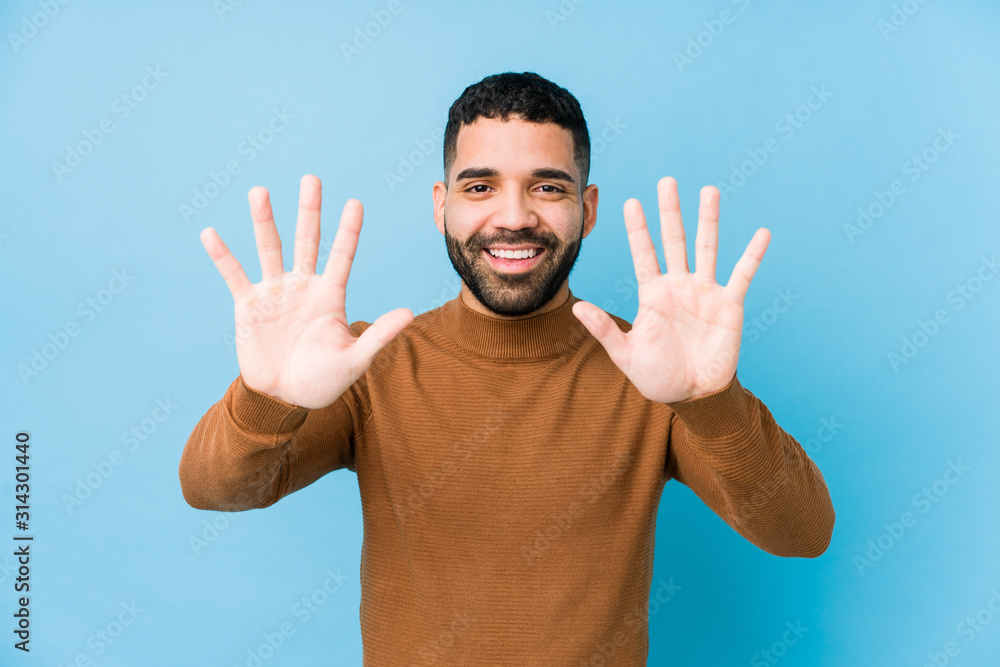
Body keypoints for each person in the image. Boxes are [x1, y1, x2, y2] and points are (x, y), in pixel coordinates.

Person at [179, 71, 835, 665]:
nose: (515, 217)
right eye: (480, 186)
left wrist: (708, 401)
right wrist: (268, 397)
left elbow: (802, 532)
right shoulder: (366, 365)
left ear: (588, 209)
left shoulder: (654, 370)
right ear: (441, 205)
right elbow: (212, 489)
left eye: (547, 187)